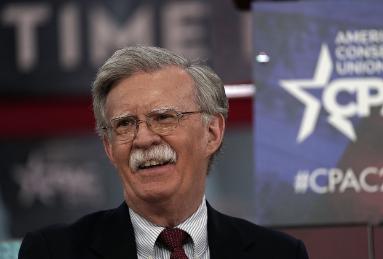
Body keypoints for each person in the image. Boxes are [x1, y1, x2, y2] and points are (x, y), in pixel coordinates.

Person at [18, 46, 309, 259]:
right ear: (109, 147)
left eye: (164, 118)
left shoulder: (279, 254)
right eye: (125, 124)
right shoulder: (53, 252)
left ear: (212, 133)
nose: (143, 139)